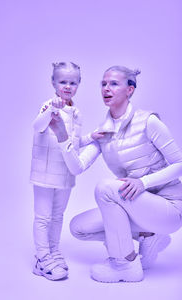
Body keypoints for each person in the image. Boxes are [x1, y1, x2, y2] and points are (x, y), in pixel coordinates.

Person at [49, 65, 182, 283]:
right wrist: (63, 137)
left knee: (105, 188)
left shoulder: (148, 121)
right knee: (79, 228)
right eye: (103, 83)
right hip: (138, 206)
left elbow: (179, 163)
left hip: (170, 209)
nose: (106, 88)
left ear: (130, 90)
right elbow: (77, 168)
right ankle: (148, 236)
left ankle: (124, 263)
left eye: (113, 83)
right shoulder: (104, 131)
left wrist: (143, 182)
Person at [30, 62, 93, 281]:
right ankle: (42, 258)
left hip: (65, 174)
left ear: (78, 84)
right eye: (63, 81)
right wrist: (52, 110)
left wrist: (91, 138)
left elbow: (73, 143)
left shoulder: (76, 113)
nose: (67, 86)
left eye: (72, 82)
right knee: (43, 217)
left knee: (57, 216)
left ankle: (54, 252)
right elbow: (38, 126)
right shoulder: (48, 105)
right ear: (53, 83)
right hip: (45, 173)